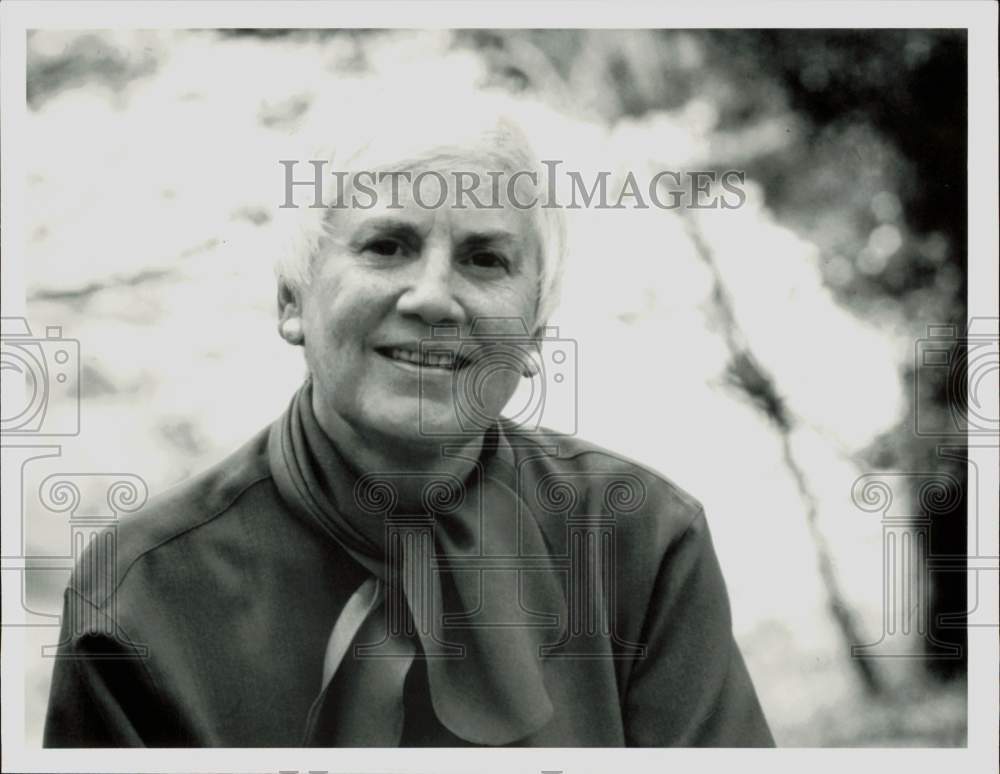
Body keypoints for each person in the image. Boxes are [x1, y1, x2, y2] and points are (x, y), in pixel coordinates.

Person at [43, 84, 774, 747]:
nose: (432, 298)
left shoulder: (641, 541)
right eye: (387, 246)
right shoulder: (140, 595)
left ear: (534, 337)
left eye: (485, 260)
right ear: (291, 301)